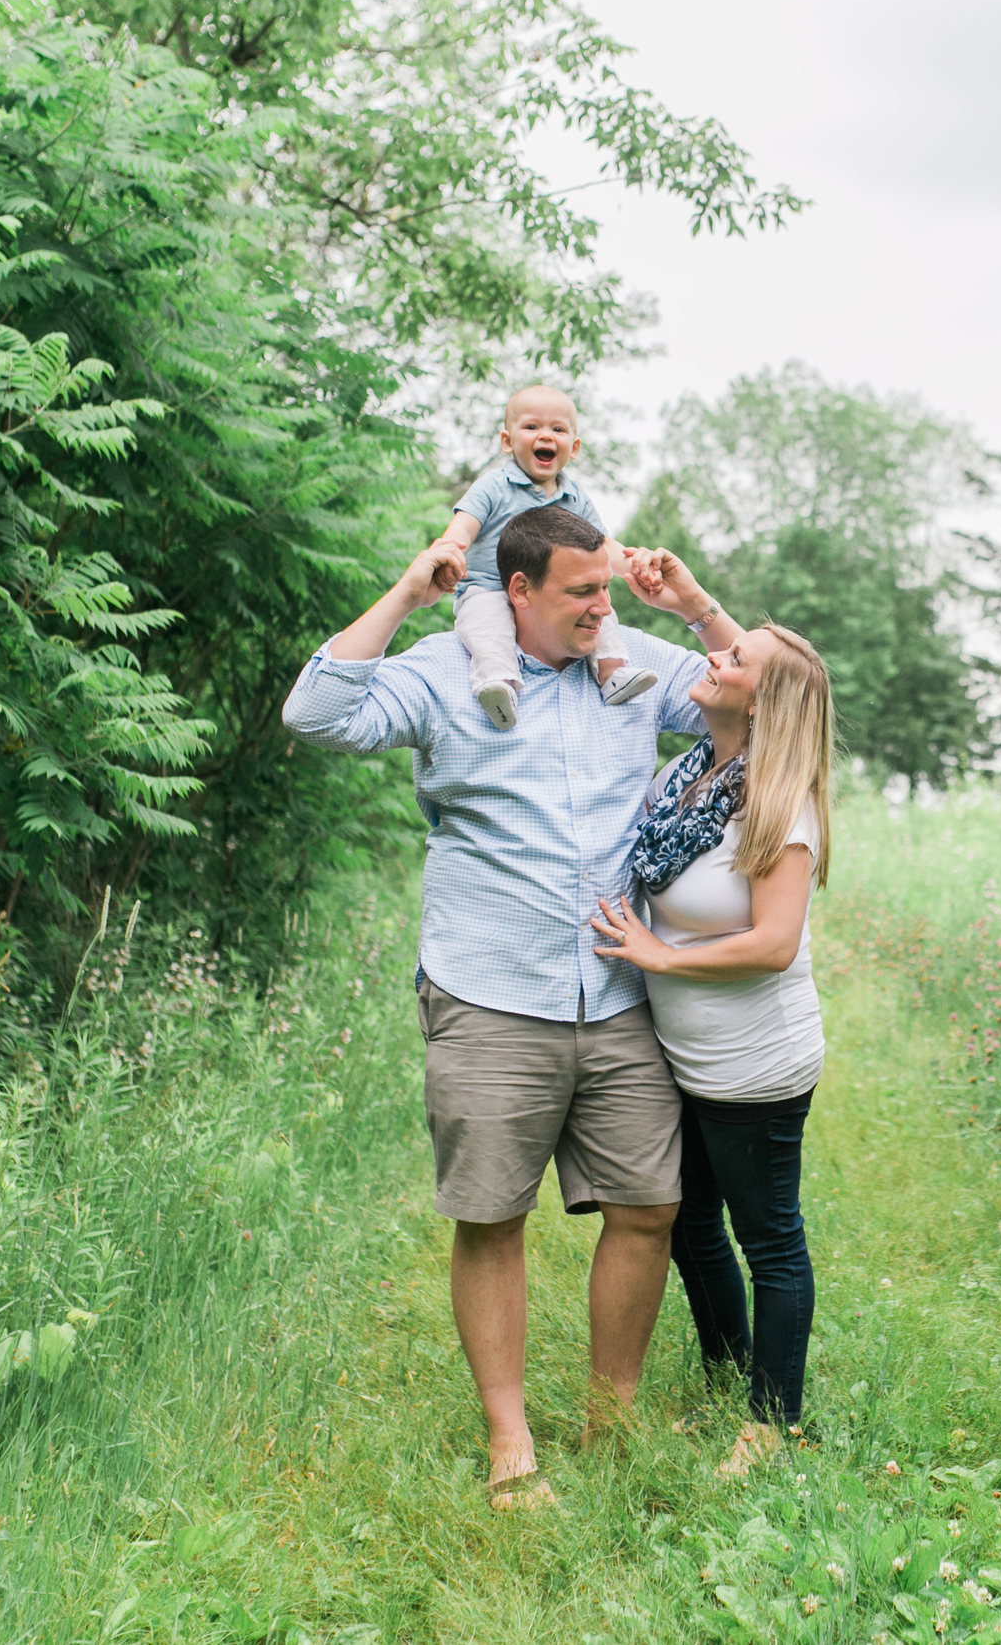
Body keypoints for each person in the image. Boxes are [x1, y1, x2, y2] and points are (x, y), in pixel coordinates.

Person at [282, 504, 744, 1507]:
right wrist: (410, 589)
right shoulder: (447, 672)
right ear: (517, 591)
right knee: (491, 1214)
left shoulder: (629, 668)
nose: (600, 607)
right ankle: (510, 1442)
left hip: (619, 992)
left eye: (606, 588)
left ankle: (609, 1417)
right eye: (581, 591)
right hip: (488, 988)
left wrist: (694, 603)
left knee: (648, 1206)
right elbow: (314, 711)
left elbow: (769, 683)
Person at [587, 624, 834, 1476]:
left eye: (733, 661)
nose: (713, 660)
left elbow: (773, 940)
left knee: (768, 1237)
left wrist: (661, 955)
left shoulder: (779, 804)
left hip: (755, 1064)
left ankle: (771, 1424)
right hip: (683, 1055)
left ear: (760, 701)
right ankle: (729, 1374)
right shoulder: (692, 772)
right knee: (689, 1222)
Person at [437, 385, 658, 726]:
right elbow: (464, 525)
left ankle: (613, 673)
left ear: (575, 446)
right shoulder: (494, 486)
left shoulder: (574, 497)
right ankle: (499, 686)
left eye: (558, 429)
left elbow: (603, 546)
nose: (546, 435)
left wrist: (636, 564)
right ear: (507, 441)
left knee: (602, 610)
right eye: (532, 427)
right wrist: (450, 549)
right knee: (488, 629)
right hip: (489, 587)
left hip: (551, 600)